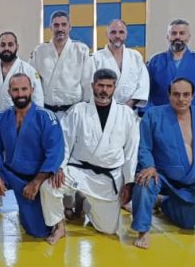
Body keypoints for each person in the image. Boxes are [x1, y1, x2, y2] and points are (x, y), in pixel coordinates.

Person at [128, 78, 195, 249]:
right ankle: (143, 231)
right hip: (159, 175)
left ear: (193, 96)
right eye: (176, 94)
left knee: (187, 223)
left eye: (186, 95)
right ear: (169, 95)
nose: (181, 99)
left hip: (187, 182)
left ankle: (162, 203)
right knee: (144, 182)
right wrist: (149, 166)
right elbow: (144, 146)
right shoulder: (154, 115)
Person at [59, 68, 139, 236]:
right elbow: (64, 143)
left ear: (114, 88)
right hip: (78, 171)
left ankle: (84, 202)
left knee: (108, 229)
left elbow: (131, 151)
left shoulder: (126, 114)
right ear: (92, 85)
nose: (104, 90)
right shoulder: (78, 110)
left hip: (108, 177)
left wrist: (129, 181)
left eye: (109, 86)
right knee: (49, 186)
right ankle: (57, 226)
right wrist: (58, 168)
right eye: (100, 85)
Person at [0, 74, 66, 243]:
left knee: (38, 231)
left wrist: (36, 183)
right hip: (8, 173)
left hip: (33, 178)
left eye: (24, 89)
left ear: (32, 90)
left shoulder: (46, 117)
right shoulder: (0, 118)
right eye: (15, 90)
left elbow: (55, 152)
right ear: (9, 92)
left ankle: (34, 213)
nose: (20, 94)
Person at [0, 30, 44, 215]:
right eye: (3, 45)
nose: (6, 48)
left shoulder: (28, 70)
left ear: (17, 47)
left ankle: (24, 200)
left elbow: (38, 99)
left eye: (10, 44)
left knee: (19, 162)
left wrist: (33, 124)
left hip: (20, 124)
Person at [146, 19, 195, 115]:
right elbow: (145, 93)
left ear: (189, 37)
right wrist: (149, 115)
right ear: (167, 37)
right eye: (174, 33)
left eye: (182, 33)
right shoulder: (154, 62)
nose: (177, 37)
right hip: (161, 117)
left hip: (194, 117)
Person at [30, 11, 93, 119]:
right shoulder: (39, 51)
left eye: (64, 25)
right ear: (50, 28)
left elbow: (88, 83)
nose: (60, 28)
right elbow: (32, 81)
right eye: (56, 25)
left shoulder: (81, 50)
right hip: (47, 111)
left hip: (74, 112)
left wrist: (86, 109)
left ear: (70, 27)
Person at [92, 19, 149, 109]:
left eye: (121, 32)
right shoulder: (96, 58)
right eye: (113, 32)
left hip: (130, 109)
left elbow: (143, 83)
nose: (117, 36)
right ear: (107, 34)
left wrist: (130, 103)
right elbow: (91, 85)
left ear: (126, 34)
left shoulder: (135, 56)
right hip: (103, 108)